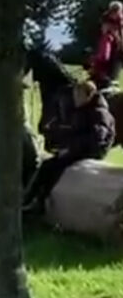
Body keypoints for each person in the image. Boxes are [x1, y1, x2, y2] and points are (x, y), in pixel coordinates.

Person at [23, 80, 115, 214]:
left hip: (91, 151)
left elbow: (97, 139)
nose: (74, 99)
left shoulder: (99, 113)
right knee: (48, 164)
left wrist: (70, 149)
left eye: (78, 96)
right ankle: (30, 199)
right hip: (79, 148)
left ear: (88, 95)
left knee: (51, 167)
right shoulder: (83, 109)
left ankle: (36, 200)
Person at [89, 1, 123, 92]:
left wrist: (92, 59)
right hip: (113, 77)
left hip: (103, 76)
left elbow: (104, 57)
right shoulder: (107, 19)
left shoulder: (119, 22)